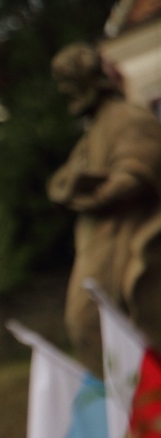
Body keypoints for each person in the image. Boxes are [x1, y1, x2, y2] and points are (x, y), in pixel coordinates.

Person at [48, 42, 161, 377]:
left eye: (68, 82)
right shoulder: (93, 131)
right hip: (98, 242)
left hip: (126, 240)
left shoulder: (128, 118)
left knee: (96, 324)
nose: (64, 91)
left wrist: (96, 196)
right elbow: (59, 182)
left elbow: (137, 171)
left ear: (87, 81)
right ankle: (132, 411)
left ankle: (142, 405)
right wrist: (70, 187)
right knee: (86, 326)